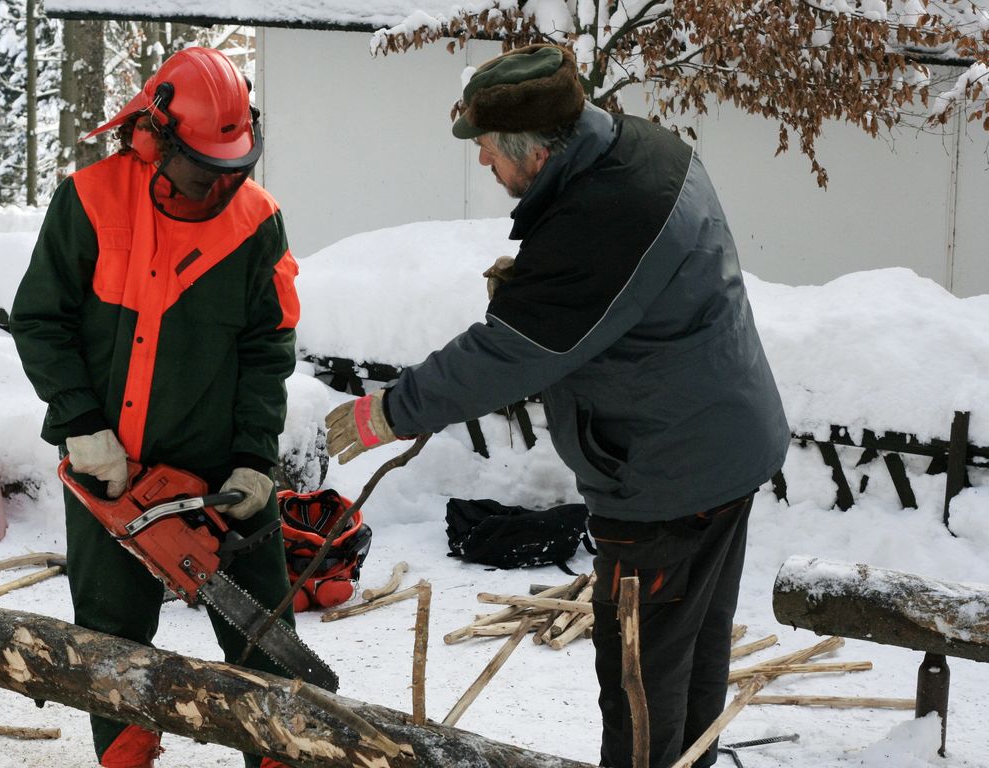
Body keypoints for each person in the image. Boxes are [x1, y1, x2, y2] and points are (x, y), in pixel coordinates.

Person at [324, 44, 789, 768]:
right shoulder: (642, 150)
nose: (482, 160)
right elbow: (624, 293)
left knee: (639, 684)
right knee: (693, 654)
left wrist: (389, 412)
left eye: (486, 146)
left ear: (534, 150)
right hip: (721, 446)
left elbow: (507, 355)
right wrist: (545, 292)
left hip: (663, 482)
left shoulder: (602, 217)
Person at [10, 47, 305, 768]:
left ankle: (282, 757)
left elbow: (268, 347)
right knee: (110, 639)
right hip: (112, 466)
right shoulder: (89, 201)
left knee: (267, 639)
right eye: (204, 171)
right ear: (154, 139)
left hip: (220, 470)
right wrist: (82, 425)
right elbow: (40, 321)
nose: (220, 186)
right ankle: (125, 756)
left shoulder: (257, 221)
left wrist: (254, 458)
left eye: (233, 170)